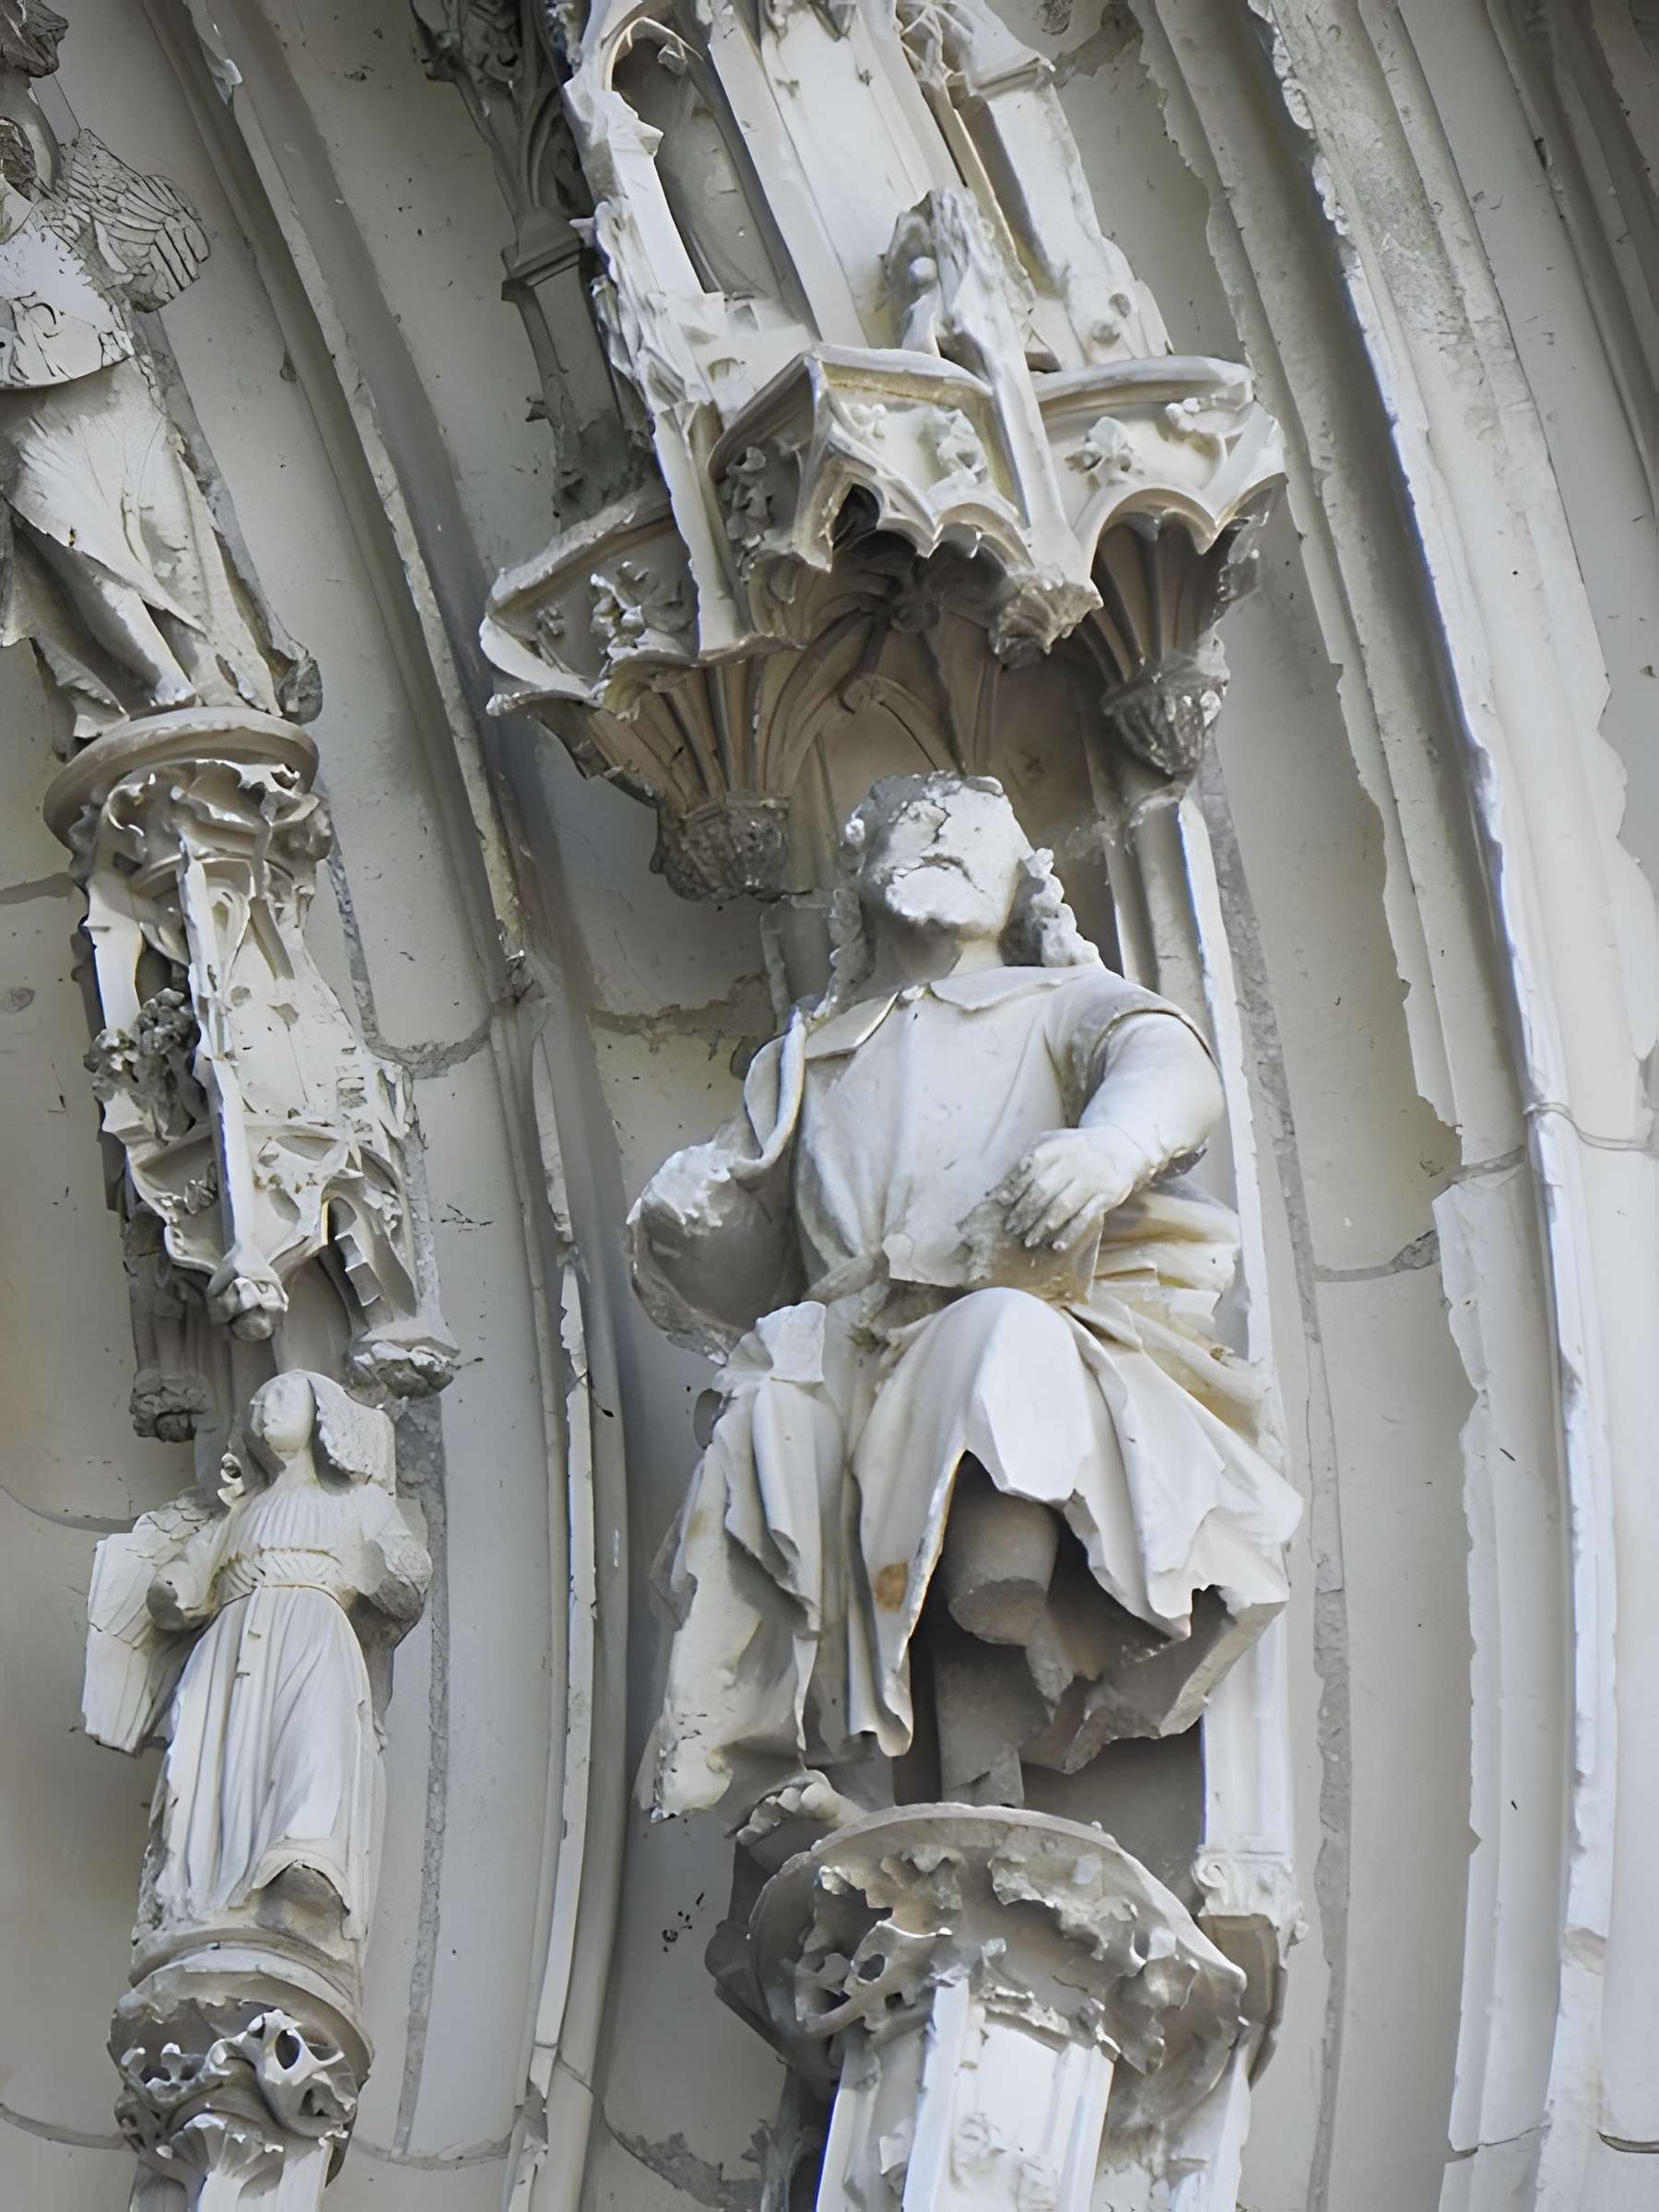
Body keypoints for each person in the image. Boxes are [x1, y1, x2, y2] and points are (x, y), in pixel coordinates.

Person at [631, 771, 1300, 1854]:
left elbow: (1167, 1063)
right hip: (843, 1341)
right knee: (762, 1436)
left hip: (995, 1295)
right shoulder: (812, 1052)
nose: (941, 841)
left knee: (1000, 1344)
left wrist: (1110, 1146)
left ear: (1022, 886)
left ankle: (1002, 1579)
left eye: (972, 838)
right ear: (860, 882)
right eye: (915, 831)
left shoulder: (1057, 1004)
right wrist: (691, 1223)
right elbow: (760, 1236)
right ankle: (813, 1766)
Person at [86, 1370, 429, 1972]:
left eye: (282, 1397)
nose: (264, 1407)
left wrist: (398, 1569)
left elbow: (403, 1577)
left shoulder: (356, 1502)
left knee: (311, 1736)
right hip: (232, 1640)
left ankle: (304, 1868)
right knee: (215, 1755)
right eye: (259, 1399)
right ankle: (203, 1890)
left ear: (322, 1418)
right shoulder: (236, 1515)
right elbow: (182, 1589)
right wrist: (170, 1585)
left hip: (313, 1625)